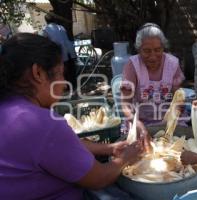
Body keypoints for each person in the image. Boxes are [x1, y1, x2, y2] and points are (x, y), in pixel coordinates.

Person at [0, 33, 143, 200]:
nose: (63, 84)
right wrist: (126, 158)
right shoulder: (40, 123)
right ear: (38, 73)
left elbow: (60, 147)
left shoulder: (8, 108)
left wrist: (109, 148)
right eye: (61, 74)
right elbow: (99, 178)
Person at [120, 23, 185, 143]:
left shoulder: (172, 64)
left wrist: (178, 108)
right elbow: (125, 105)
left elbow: (178, 98)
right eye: (147, 51)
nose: (153, 56)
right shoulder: (132, 66)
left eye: (158, 50)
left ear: (163, 48)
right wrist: (137, 123)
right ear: (139, 49)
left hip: (167, 121)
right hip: (140, 120)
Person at [42, 12, 77, 89]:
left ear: (46, 21)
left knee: (63, 70)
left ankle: (67, 87)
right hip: (69, 51)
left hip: (59, 52)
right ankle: (74, 85)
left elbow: (45, 42)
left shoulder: (46, 29)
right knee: (71, 68)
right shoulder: (61, 27)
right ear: (54, 20)